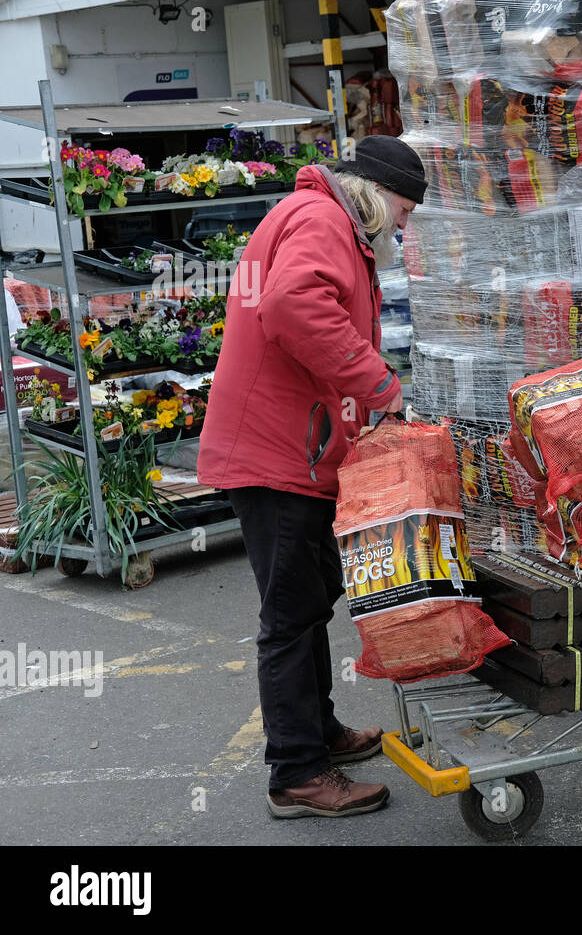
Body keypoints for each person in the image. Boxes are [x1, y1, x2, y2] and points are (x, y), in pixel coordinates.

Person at [198, 135, 426, 818]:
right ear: (381, 198)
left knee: (314, 593)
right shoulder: (324, 219)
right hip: (278, 455)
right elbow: (296, 306)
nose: (405, 228)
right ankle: (297, 773)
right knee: (292, 616)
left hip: (292, 448)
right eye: (407, 213)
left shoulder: (320, 216)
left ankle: (317, 734)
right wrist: (382, 386)